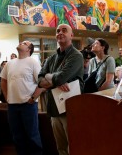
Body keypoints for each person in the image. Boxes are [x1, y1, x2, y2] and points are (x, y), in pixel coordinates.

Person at [35, 24, 84, 155]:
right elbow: (39, 81)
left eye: (64, 30)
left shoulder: (76, 56)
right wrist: (55, 82)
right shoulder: (51, 58)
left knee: (74, 147)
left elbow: (60, 77)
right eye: (57, 31)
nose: (60, 33)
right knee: (60, 147)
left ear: (71, 35)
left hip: (71, 109)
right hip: (54, 109)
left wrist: (49, 77)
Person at [0, 41, 43, 155]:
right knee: (17, 136)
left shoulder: (33, 62)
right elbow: (3, 81)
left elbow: (42, 83)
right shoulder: (10, 63)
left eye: (24, 43)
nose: (21, 43)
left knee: (32, 135)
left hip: (28, 105)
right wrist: (6, 96)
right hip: (12, 105)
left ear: (29, 49)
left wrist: (33, 98)